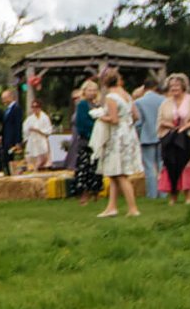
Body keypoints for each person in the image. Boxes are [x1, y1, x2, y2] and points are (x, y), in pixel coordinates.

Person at [90, 67, 144, 217]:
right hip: (129, 133)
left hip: (117, 136)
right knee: (113, 173)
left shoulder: (111, 97)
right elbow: (136, 116)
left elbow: (113, 119)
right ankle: (111, 207)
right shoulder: (126, 94)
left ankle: (133, 208)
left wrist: (100, 116)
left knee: (120, 174)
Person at [157, 72, 190, 205]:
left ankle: (188, 195)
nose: (174, 88)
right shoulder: (165, 103)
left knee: (187, 165)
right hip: (172, 137)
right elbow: (160, 120)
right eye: (172, 86)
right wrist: (170, 125)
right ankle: (173, 195)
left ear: (183, 86)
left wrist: (185, 126)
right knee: (171, 165)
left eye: (177, 85)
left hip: (188, 136)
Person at [68, 78, 101, 202]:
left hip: (97, 140)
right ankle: (83, 194)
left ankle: (95, 192)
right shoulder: (82, 104)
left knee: (95, 167)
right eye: (89, 90)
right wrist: (94, 128)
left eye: (94, 90)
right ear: (84, 91)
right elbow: (81, 122)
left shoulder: (97, 105)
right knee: (84, 167)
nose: (92, 92)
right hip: (86, 139)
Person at [134, 75, 166, 200]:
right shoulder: (163, 100)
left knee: (149, 166)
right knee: (161, 164)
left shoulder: (139, 102)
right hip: (162, 135)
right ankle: (163, 192)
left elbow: (138, 123)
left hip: (147, 136)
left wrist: (139, 134)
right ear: (155, 86)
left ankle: (152, 194)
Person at [1, 88, 25, 173]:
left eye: (4, 98)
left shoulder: (16, 109)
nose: (3, 100)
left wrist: (18, 141)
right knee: (6, 159)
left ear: (10, 97)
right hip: (6, 139)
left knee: (13, 160)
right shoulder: (7, 110)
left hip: (13, 139)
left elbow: (18, 125)